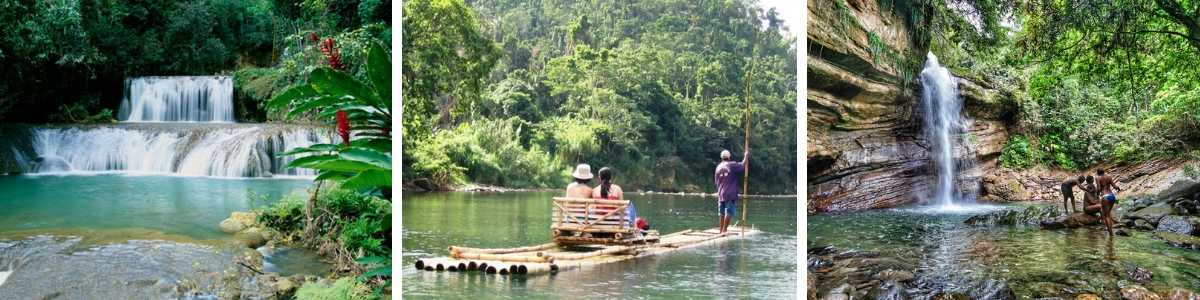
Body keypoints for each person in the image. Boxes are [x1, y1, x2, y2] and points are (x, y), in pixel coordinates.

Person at [714, 149, 747, 234]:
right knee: (729, 212)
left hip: (721, 193)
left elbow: (716, 181)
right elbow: (742, 165)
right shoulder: (731, 165)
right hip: (730, 193)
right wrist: (746, 156)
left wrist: (719, 190)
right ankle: (724, 230)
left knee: (721, 213)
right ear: (729, 157)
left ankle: (721, 230)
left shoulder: (718, 167)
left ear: (721, 157)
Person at [1096, 169, 1123, 238]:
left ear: (1098, 173)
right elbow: (1115, 186)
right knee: (1108, 214)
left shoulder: (1098, 178)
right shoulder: (1109, 177)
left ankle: (1111, 234)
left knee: (1106, 216)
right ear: (1104, 172)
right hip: (1112, 196)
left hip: (1105, 196)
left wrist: (1097, 195)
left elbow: (1099, 188)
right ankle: (1111, 230)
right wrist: (1118, 189)